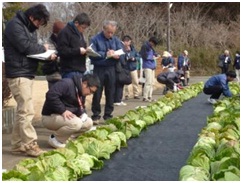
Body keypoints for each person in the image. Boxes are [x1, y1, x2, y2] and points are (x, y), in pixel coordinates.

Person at [4, 4, 50, 157]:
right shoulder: (14, 26)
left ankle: (17, 145)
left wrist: (47, 54)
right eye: (38, 22)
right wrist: (43, 49)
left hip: (26, 72)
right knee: (27, 111)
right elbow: (26, 47)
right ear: (32, 17)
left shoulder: (29, 28)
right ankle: (30, 144)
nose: (38, 26)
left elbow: (33, 48)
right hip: (18, 73)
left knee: (22, 111)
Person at [41, 74, 100, 148]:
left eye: (92, 93)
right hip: (50, 116)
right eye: (91, 91)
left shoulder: (81, 91)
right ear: (85, 83)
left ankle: (67, 137)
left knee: (88, 122)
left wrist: (82, 114)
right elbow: (51, 95)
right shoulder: (66, 83)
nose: (90, 94)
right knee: (76, 123)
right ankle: (55, 139)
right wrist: (63, 110)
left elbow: (78, 106)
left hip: (63, 117)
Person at [89, 20, 123, 124]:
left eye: (112, 32)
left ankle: (108, 115)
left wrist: (117, 55)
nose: (110, 34)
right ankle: (96, 115)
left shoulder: (116, 40)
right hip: (99, 68)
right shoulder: (95, 39)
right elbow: (92, 54)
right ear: (103, 29)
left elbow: (121, 52)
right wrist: (105, 54)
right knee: (97, 92)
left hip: (111, 68)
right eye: (108, 32)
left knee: (110, 92)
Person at [57, 13, 91, 79]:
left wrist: (86, 50)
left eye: (85, 28)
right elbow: (62, 51)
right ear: (76, 23)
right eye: (83, 27)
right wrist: (78, 51)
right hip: (69, 71)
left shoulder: (80, 34)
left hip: (80, 69)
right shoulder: (65, 32)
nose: (83, 30)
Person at [42, 20, 65, 89]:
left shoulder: (64, 41)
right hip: (53, 75)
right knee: (54, 97)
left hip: (63, 75)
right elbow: (49, 57)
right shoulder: (48, 43)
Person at [139, 36, 159, 102]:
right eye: (153, 44)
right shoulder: (145, 46)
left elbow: (154, 53)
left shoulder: (151, 47)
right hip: (147, 66)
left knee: (152, 82)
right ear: (151, 41)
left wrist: (156, 55)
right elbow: (144, 56)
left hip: (152, 66)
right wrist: (152, 57)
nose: (153, 45)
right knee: (148, 82)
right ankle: (145, 97)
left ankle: (150, 96)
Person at [122, 35, 141, 101]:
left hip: (133, 67)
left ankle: (136, 94)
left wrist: (134, 58)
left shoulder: (133, 49)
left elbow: (138, 56)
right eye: (126, 42)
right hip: (125, 68)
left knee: (135, 81)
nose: (127, 43)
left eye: (129, 42)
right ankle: (126, 94)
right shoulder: (122, 49)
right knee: (126, 82)